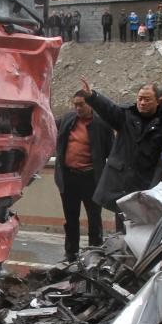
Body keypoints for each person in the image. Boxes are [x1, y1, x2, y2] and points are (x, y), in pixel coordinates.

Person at [78, 77, 162, 217]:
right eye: (140, 98)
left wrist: (153, 191)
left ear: (157, 102)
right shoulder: (127, 116)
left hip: (143, 185)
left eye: (147, 100)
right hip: (120, 184)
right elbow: (109, 109)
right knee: (121, 227)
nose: (142, 103)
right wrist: (92, 96)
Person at [55, 91, 115, 261]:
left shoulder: (102, 124)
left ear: (91, 104)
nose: (78, 108)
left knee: (94, 218)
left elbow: (112, 152)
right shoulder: (68, 119)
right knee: (71, 218)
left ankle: (94, 254)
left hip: (91, 179)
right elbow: (49, 126)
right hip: (68, 179)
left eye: (81, 104)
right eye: (75, 104)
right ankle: (71, 253)